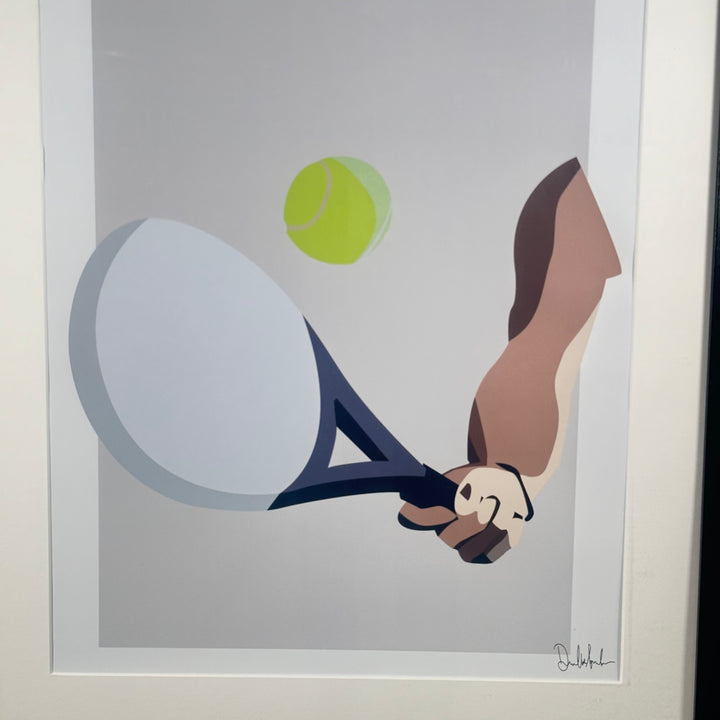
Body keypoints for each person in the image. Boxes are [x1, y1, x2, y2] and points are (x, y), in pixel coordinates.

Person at [398, 158, 622, 563]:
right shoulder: (521, 448)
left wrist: (481, 494)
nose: (458, 486)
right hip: (572, 229)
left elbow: (419, 510)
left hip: (567, 225)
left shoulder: (501, 448)